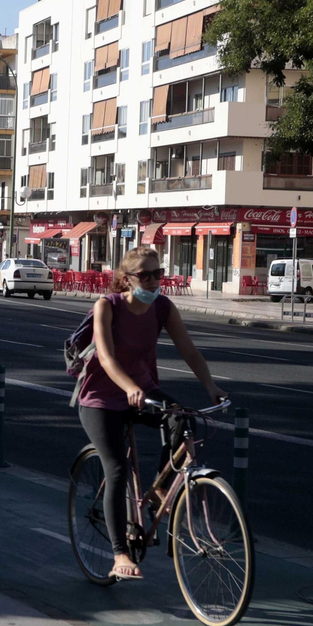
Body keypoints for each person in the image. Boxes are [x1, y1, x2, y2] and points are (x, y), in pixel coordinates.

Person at [76, 246, 227, 581]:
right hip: (101, 397)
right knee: (117, 469)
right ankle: (119, 554)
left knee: (181, 418)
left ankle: (162, 486)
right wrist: (129, 387)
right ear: (126, 279)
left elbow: (189, 350)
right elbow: (106, 358)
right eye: (144, 275)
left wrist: (211, 387)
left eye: (157, 273)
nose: (153, 280)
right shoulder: (108, 306)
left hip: (142, 391)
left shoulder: (162, 307)